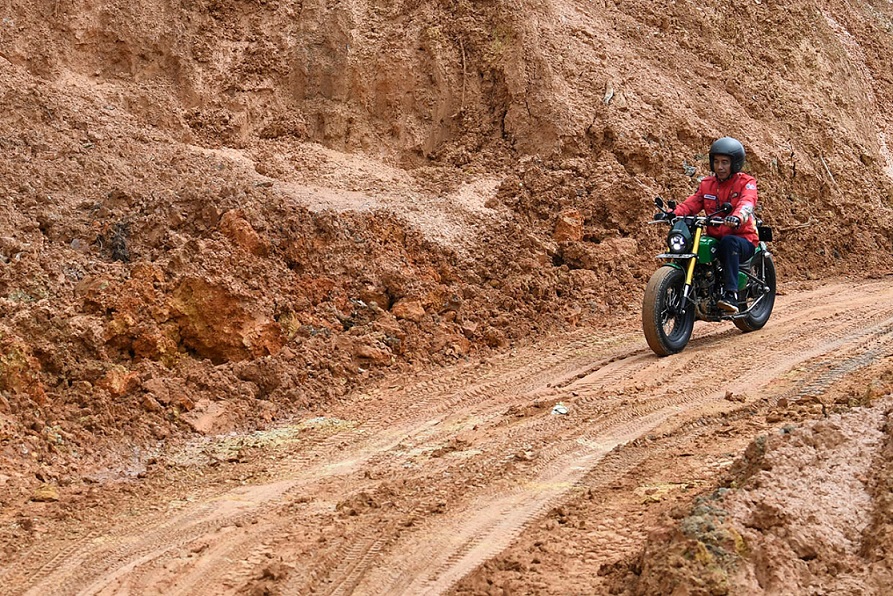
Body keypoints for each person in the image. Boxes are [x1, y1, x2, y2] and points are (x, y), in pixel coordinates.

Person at [659, 137, 759, 313]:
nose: (720, 167)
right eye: (717, 161)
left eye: (725, 162)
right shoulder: (707, 184)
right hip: (715, 236)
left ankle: (731, 295)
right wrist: (673, 214)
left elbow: (747, 202)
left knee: (729, 242)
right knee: (693, 246)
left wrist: (737, 217)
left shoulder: (746, 183)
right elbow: (693, 203)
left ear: (734, 164)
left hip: (743, 238)